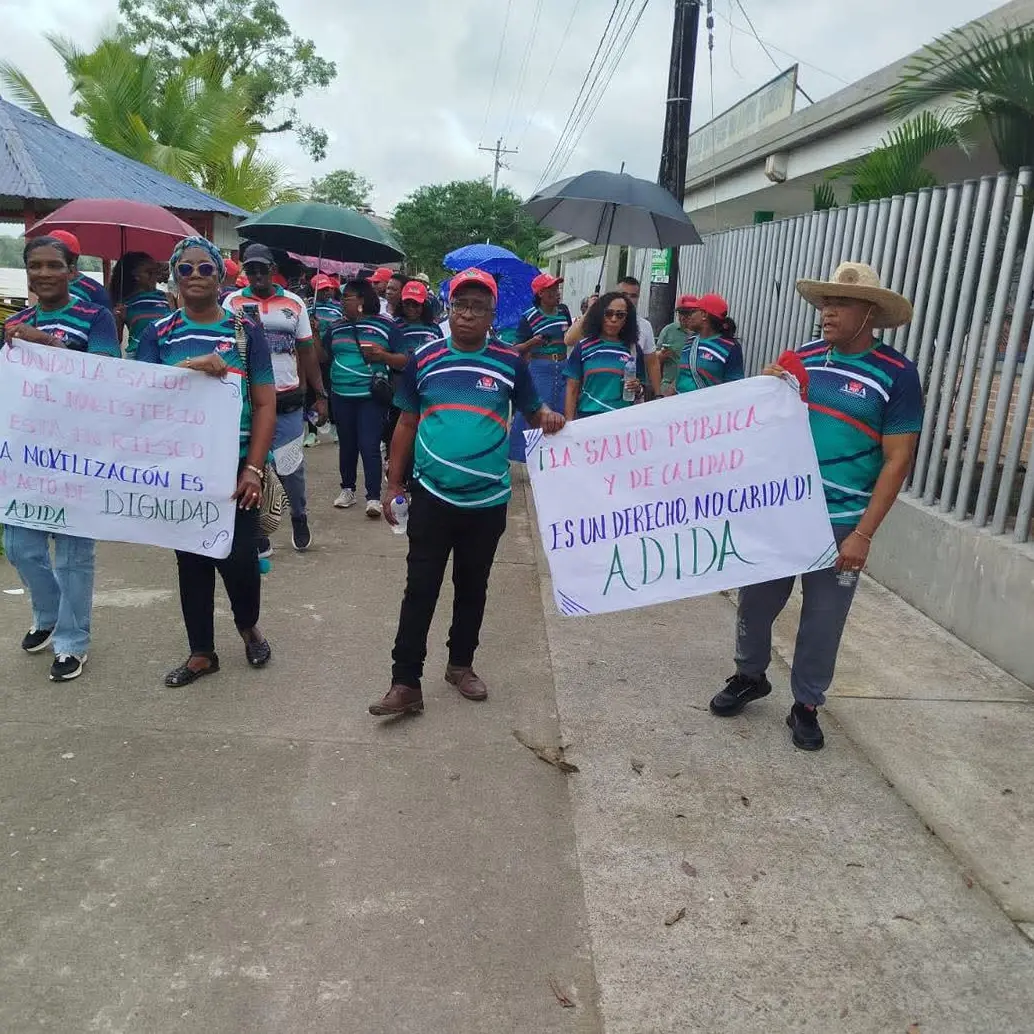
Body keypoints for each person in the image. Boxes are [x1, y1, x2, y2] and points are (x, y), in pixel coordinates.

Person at [710, 262, 922, 752]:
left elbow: (898, 459)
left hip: (843, 520)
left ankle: (806, 704)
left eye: (839, 303)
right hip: (785, 511)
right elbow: (764, 432)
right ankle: (750, 676)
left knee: (823, 618)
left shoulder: (897, 374)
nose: (827, 311)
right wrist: (764, 392)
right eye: (824, 302)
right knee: (756, 603)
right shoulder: (801, 359)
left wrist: (863, 533)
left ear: (869, 312)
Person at [369, 268, 566, 716]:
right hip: (432, 495)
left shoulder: (510, 361)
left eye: (479, 307)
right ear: (450, 308)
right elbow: (405, 422)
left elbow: (534, 412)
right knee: (420, 588)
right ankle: (405, 683)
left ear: (492, 314)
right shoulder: (424, 358)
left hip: (487, 501)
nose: (468, 315)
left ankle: (460, 665)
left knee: (472, 586)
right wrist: (394, 484)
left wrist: (550, 416)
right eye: (461, 305)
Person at [135, 237, 276, 687]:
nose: (195, 276)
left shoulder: (244, 331)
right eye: (185, 269)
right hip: (182, 471)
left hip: (236, 467)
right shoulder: (158, 335)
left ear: (221, 276)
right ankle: (201, 652)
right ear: (173, 277)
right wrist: (187, 372)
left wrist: (254, 467)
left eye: (205, 269)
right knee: (191, 560)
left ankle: (247, 623)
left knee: (239, 558)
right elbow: (141, 397)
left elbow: (265, 403)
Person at [3, 236, 120, 681]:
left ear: (73, 270)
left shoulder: (96, 318)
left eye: (56, 265)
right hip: (26, 456)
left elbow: (107, 376)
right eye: (36, 265)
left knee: (72, 554)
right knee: (20, 546)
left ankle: (72, 642)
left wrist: (47, 342)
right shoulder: (13, 322)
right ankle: (49, 613)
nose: (45, 273)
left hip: (79, 453)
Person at [223, 243, 326, 554]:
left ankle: (298, 515)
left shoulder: (294, 304)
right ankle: (257, 531)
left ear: (272, 270)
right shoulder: (233, 302)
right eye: (250, 269)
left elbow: (307, 352)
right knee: (251, 466)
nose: (256, 275)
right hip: (247, 402)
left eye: (261, 268)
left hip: (288, 399)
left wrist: (320, 395)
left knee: (290, 467)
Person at [323, 277, 405, 516]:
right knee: (346, 445)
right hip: (341, 395)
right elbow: (322, 357)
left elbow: (405, 359)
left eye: (346, 298)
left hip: (370, 396)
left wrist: (383, 356)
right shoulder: (336, 327)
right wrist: (315, 335)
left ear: (361, 300)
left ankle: (373, 497)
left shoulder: (385, 326)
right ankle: (347, 489)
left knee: (368, 445)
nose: (341, 302)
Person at [509, 273, 573, 461]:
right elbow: (515, 349)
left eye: (557, 288)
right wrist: (532, 342)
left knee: (563, 410)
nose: (556, 292)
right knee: (535, 411)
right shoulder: (528, 317)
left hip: (563, 366)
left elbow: (570, 335)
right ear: (540, 293)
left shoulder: (564, 311)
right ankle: (526, 456)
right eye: (551, 289)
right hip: (540, 367)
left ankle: (560, 456)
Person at [564, 274, 661, 395]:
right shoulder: (599, 320)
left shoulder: (645, 326)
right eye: (624, 294)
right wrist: (591, 310)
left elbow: (652, 362)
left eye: (633, 296)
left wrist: (658, 394)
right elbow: (569, 340)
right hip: (592, 395)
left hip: (626, 396)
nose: (614, 321)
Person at [563, 292, 645, 419]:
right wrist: (569, 423)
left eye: (620, 315)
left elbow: (641, 387)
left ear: (627, 319)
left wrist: (638, 388)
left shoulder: (633, 349)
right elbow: (572, 388)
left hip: (623, 421)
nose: (613, 319)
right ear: (599, 315)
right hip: (587, 418)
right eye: (608, 313)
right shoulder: (583, 347)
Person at [675, 293, 744, 393]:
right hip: (681, 405)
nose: (689, 317)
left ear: (704, 315)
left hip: (709, 407)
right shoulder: (690, 340)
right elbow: (683, 375)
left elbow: (735, 386)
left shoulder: (730, 347)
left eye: (693, 312)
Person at [109, 251, 170, 358]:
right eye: (149, 272)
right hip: (137, 356)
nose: (154, 276)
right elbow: (115, 341)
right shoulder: (124, 304)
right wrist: (118, 320)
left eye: (155, 271)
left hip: (166, 354)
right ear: (135, 275)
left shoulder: (167, 298)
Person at [306, 274, 342, 447]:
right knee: (312, 393)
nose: (327, 292)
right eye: (322, 289)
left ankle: (335, 428)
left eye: (328, 288)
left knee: (331, 390)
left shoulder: (337, 308)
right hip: (311, 356)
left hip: (331, 355)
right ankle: (313, 432)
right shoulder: (307, 310)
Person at [46, 230, 113, 310]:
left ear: (73, 259)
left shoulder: (96, 292)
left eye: (53, 259)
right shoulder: (45, 286)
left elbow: (107, 320)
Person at [657, 294, 698, 394]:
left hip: (693, 388)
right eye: (681, 313)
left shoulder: (702, 334)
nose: (684, 317)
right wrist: (661, 356)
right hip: (667, 386)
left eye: (688, 313)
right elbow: (654, 360)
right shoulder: (669, 330)